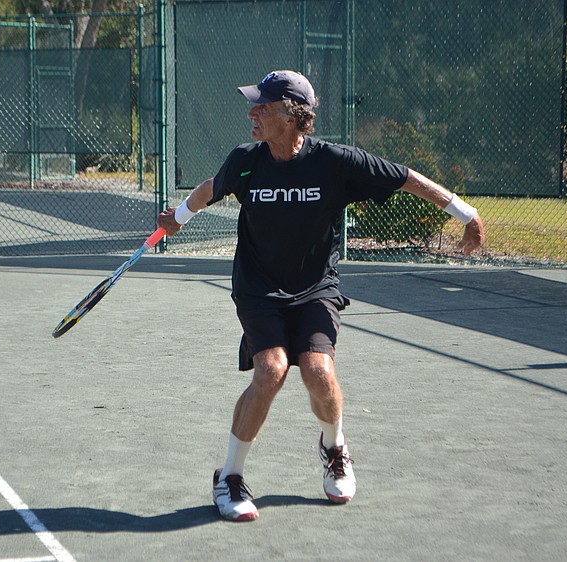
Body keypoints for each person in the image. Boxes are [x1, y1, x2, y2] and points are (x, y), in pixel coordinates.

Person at [156, 70, 485, 522]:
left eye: (264, 107)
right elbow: (214, 187)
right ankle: (229, 477)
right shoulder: (246, 160)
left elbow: (405, 178)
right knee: (270, 369)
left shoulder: (333, 162)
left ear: (292, 117)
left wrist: (466, 214)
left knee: (317, 371)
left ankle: (334, 447)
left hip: (315, 288)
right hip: (258, 288)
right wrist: (178, 216)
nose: (253, 113)